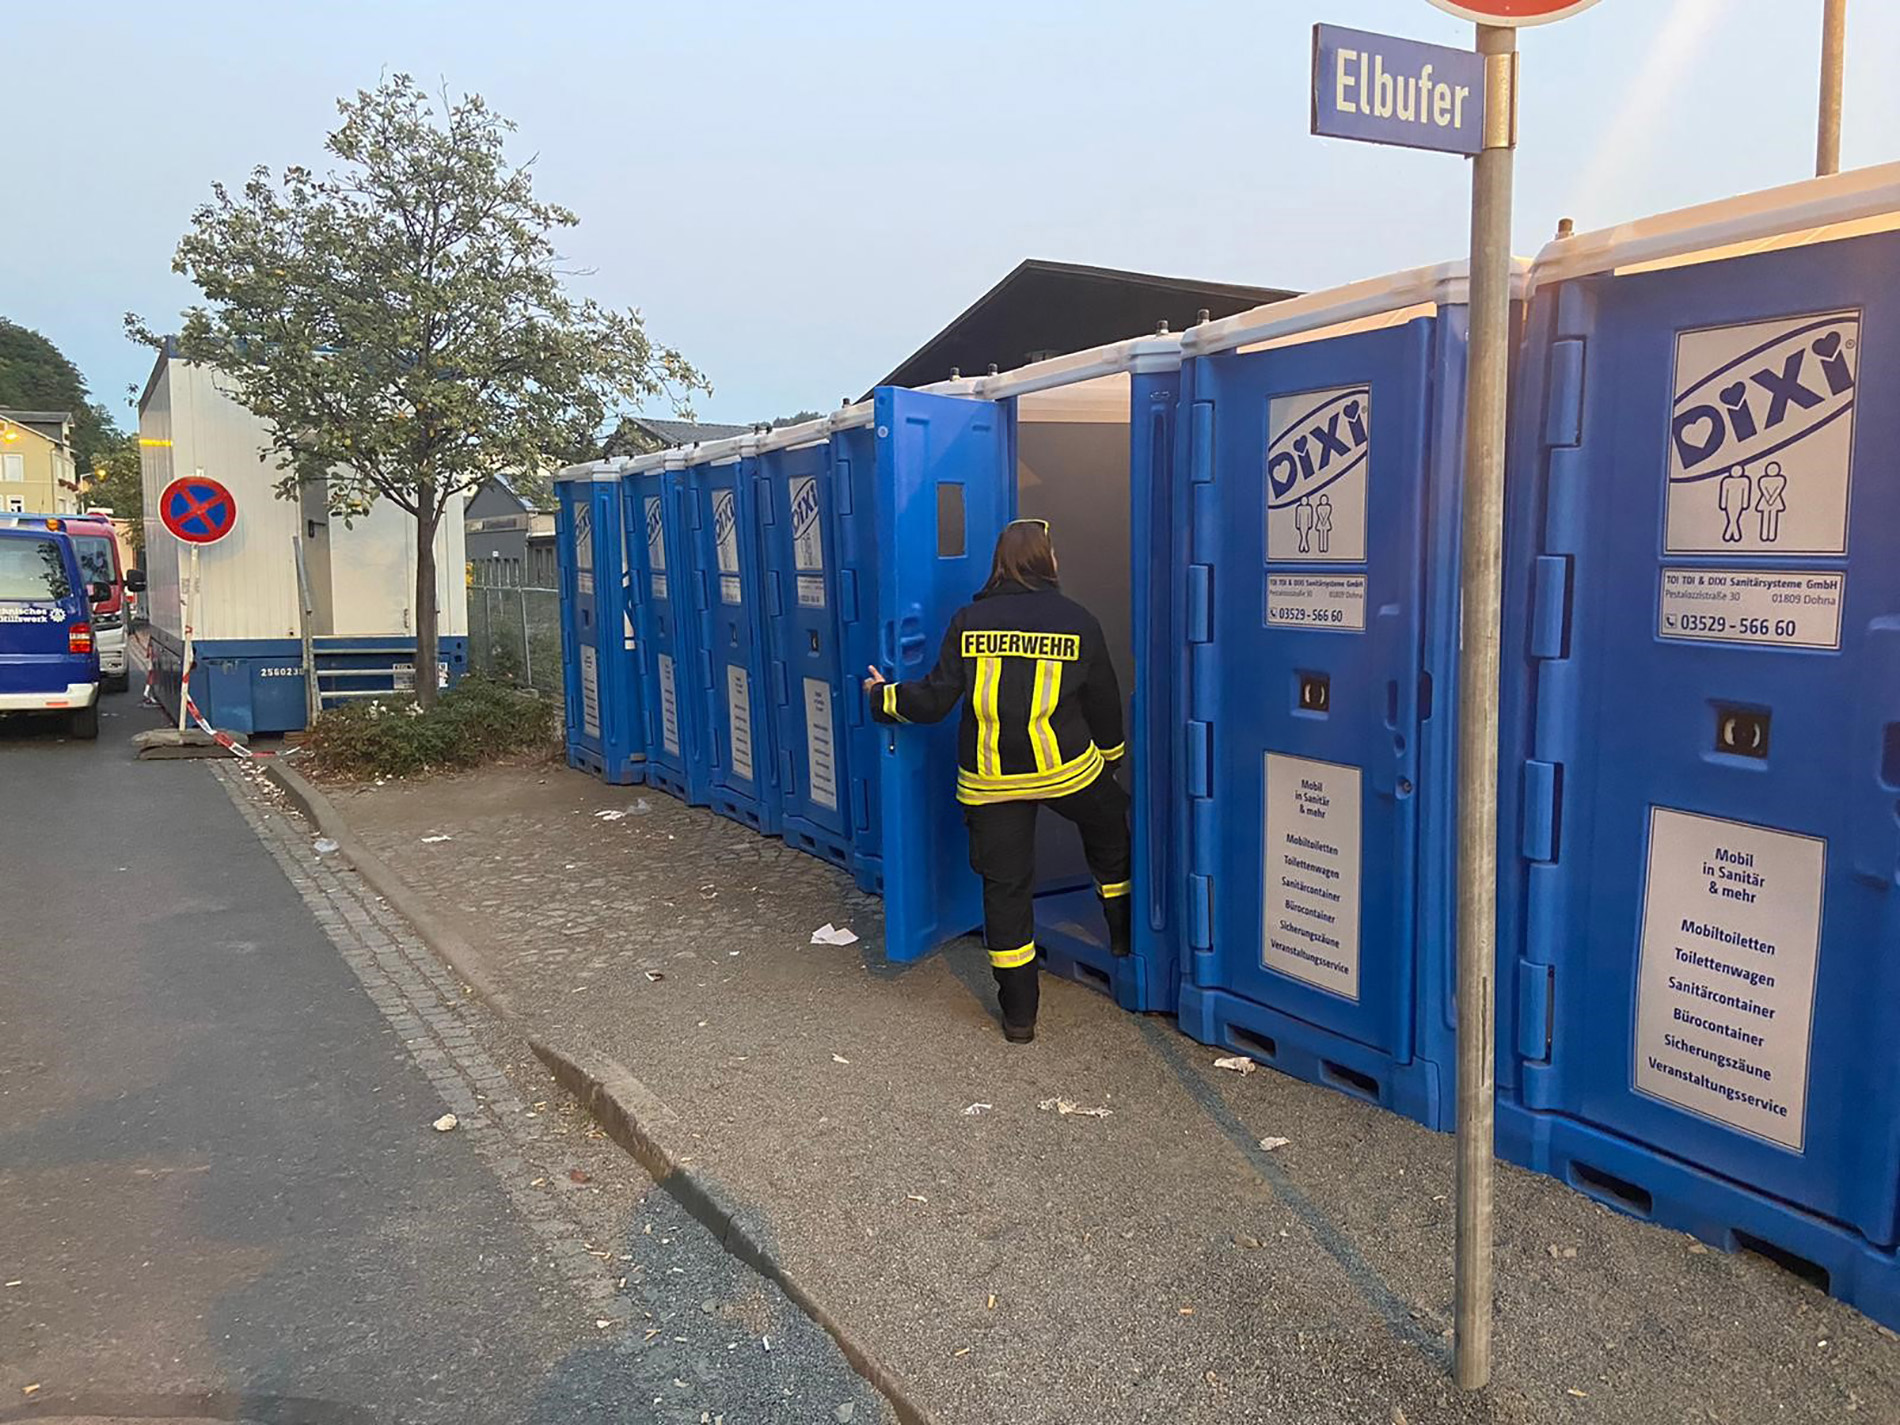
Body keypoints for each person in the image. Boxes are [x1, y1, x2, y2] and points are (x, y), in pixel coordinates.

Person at [863, 519, 1130, 1044]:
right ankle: (1123, 939)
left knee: (1006, 891)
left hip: (991, 780)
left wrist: (882, 696)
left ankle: (1019, 1018)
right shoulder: (1079, 622)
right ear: (1048, 560)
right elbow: (1104, 702)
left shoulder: (970, 621)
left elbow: (936, 698)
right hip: (1068, 770)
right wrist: (1112, 762)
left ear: (1000, 560)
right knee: (1111, 831)